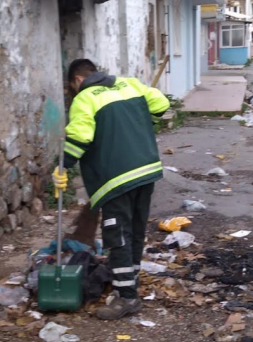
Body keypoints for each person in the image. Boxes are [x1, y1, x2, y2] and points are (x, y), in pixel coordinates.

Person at [52, 59, 170, 320]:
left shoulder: (85, 98)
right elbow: (161, 105)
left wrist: (62, 167)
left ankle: (126, 298)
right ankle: (130, 282)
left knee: (118, 236)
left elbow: (79, 138)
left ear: (77, 80)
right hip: (147, 170)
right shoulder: (131, 84)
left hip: (116, 177)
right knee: (136, 231)